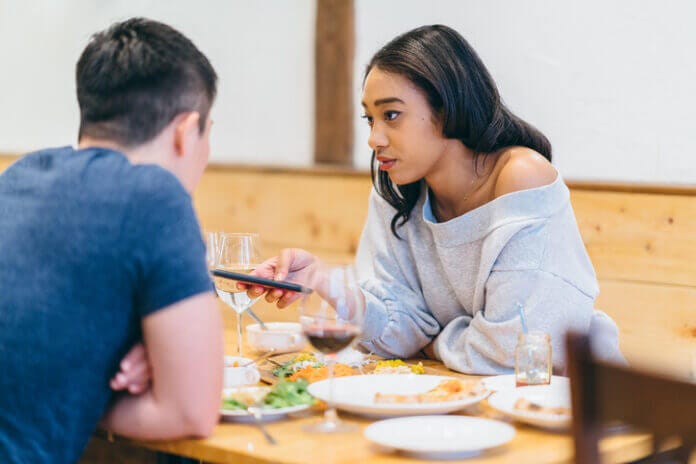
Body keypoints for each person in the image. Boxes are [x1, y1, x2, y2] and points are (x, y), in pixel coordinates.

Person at [249, 25, 623, 374]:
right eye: (370, 120)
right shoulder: (396, 189)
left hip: (574, 406)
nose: (374, 138)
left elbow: (515, 350)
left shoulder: (521, 176)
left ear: (446, 108)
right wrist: (324, 281)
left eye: (391, 115)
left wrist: (433, 341)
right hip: (471, 402)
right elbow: (399, 333)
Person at [0, 18, 224, 463]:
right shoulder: (156, 196)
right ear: (186, 130)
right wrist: (94, 388)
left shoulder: (20, 176)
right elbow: (192, 412)